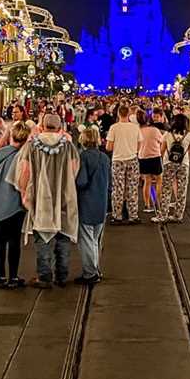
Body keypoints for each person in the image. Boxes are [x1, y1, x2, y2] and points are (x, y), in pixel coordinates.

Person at [14, 114, 80, 288]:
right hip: (64, 196)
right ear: (60, 128)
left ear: (42, 127)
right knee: (63, 235)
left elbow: (25, 171)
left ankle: (44, 275)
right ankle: (62, 274)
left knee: (42, 236)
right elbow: (74, 169)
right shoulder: (69, 146)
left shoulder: (31, 145)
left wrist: (23, 192)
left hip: (39, 197)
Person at [0, 122, 31, 288]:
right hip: (15, 202)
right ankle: (14, 277)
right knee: (14, 240)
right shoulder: (24, 158)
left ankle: (1, 277)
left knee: (0, 240)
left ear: (11, 136)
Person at [74, 125, 110, 282]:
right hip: (101, 202)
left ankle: (90, 272)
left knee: (86, 239)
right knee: (96, 239)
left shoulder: (83, 157)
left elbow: (81, 182)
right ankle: (95, 268)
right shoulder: (105, 158)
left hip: (87, 202)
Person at [106, 103, 142, 223]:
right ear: (129, 114)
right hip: (132, 159)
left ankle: (117, 215)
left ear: (118, 114)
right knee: (132, 188)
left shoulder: (114, 128)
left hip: (118, 160)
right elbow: (139, 144)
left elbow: (109, 147)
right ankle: (133, 215)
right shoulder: (135, 127)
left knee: (118, 188)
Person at [158, 114, 190, 223]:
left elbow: (162, 150)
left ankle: (163, 214)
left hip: (168, 163)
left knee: (166, 189)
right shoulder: (188, 135)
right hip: (183, 164)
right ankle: (178, 215)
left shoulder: (168, 134)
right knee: (182, 190)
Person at [138, 112, 165, 215]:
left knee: (147, 181)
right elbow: (161, 141)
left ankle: (147, 204)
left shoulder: (139, 131)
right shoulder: (155, 130)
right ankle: (157, 203)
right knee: (159, 180)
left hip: (143, 157)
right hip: (155, 156)